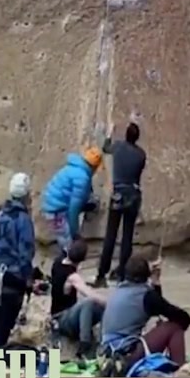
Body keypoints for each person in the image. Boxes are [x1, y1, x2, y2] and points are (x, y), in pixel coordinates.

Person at [100, 254, 190, 369]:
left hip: (107, 352)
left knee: (160, 326)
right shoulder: (145, 295)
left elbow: (157, 308)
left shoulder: (119, 290)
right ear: (146, 275)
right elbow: (184, 318)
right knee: (174, 327)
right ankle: (181, 371)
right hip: (125, 353)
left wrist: (154, 281)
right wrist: (155, 282)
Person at [0, 172, 35, 353]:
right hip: (14, 276)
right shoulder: (23, 220)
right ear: (26, 195)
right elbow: (25, 252)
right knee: (6, 321)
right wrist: (28, 278)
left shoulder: (0, 216)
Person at [93, 121, 147, 286]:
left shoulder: (118, 147)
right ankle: (123, 274)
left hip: (118, 194)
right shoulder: (141, 154)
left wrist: (109, 132)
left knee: (111, 235)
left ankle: (102, 274)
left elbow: (104, 147)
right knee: (127, 236)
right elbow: (137, 176)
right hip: (133, 194)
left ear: (126, 135)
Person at [50, 238, 106, 358]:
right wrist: (110, 304)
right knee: (89, 303)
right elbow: (88, 293)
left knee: (97, 309)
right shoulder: (72, 276)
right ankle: (85, 344)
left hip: (66, 315)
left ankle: (101, 341)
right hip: (62, 318)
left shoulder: (57, 263)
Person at [41, 146, 103, 249]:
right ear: (94, 167)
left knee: (92, 202)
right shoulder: (82, 178)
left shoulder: (76, 168)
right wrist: (75, 233)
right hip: (55, 211)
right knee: (69, 247)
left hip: (55, 203)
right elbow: (73, 210)